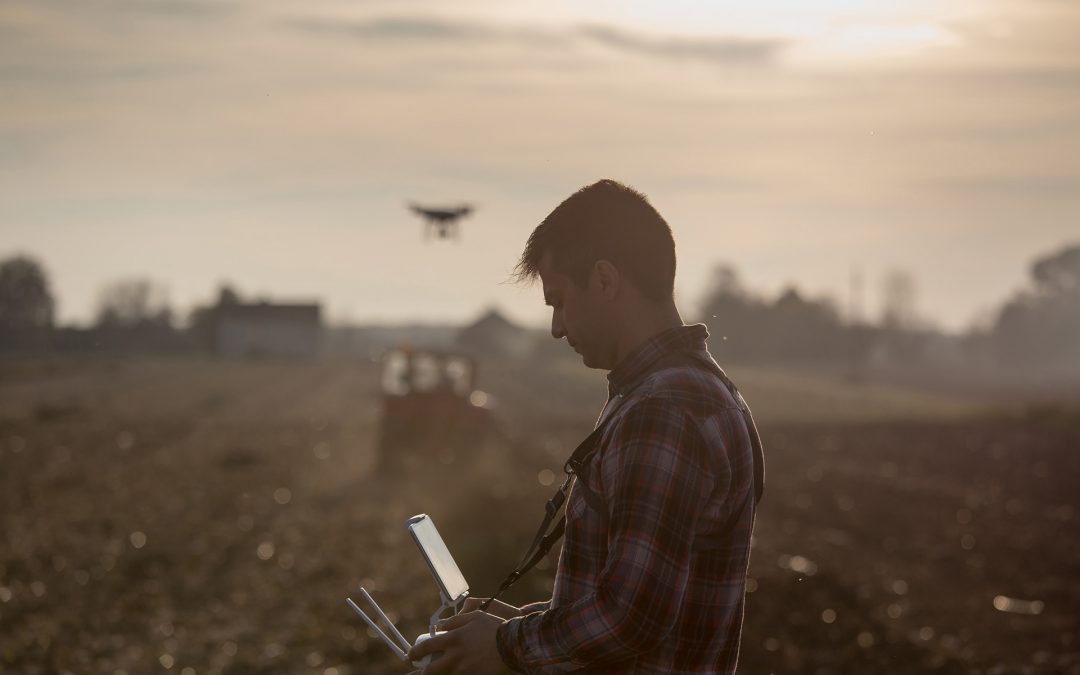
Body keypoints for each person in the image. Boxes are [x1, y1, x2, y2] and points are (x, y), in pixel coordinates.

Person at [409, 179, 763, 674]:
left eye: (558, 301)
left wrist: (507, 646)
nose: (556, 327)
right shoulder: (685, 393)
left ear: (603, 280)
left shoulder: (663, 410)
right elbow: (639, 604)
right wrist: (511, 629)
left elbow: (629, 621)